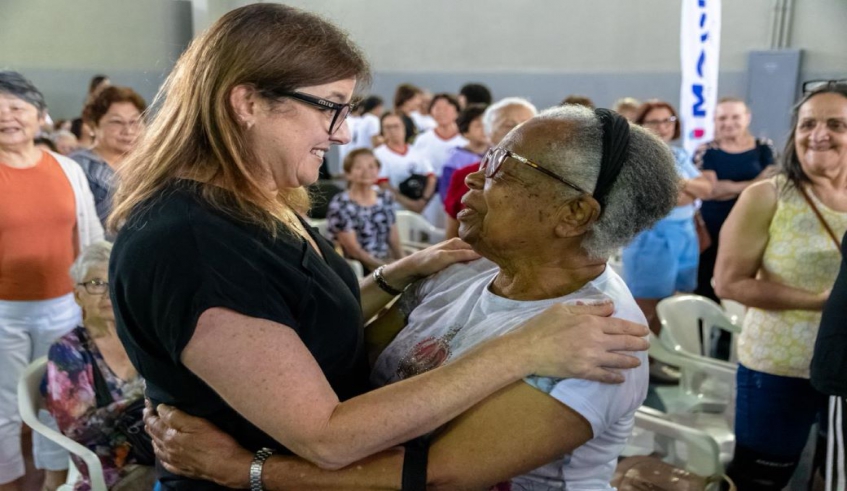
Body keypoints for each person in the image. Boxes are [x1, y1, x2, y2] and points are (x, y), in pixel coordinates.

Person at [108, 5, 650, 490]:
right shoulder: (194, 244)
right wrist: (520, 350)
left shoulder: (250, 207)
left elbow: (313, 324)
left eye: (503, 171)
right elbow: (331, 436)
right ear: (247, 103)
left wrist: (396, 275)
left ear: (575, 214)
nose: (343, 134)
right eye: (331, 107)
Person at [715, 83, 847, 490]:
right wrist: (821, 303)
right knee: (761, 478)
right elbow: (727, 282)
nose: (818, 134)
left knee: (832, 474)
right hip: (779, 367)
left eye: (836, 124)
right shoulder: (768, 196)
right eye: (808, 124)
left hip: (843, 370)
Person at [0, 71, 103, 491]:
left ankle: (53, 480)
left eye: (16, 107)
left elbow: (90, 236)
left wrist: (94, 296)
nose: (6, 116)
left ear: (40, 116)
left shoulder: (66, 169)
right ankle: (7, 482)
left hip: (63, 304)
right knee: (5, 405)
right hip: (4, 311)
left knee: (60, 401)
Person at [45, 242, 155, 491]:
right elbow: (77, 430)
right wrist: (141, 400)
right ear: (77, 295)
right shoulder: (68, 351)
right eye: (95, 283)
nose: (107, 292)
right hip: (112, 467)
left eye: (113, 281)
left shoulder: (140, 336)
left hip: (159, 448)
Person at [623, 101, 713, 344]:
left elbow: (706, 189)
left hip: (683, 237)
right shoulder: (636, 158)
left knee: (673, 303)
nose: (662, 127)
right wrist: (688, 188)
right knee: (645, 306)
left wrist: (680, 184)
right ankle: (641, 362)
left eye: (668, 121)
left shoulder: (678, 155)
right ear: (641, 125)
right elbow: (663, 199)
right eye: (654, 122)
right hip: (651, 240)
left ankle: (662, 360)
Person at [694, 97, 777, 302]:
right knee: (708, 284)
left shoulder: (764, 148)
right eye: (722, 118)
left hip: (755, 225)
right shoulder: (706, 151)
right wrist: (754, 184)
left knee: (748, 280)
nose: (728, 123)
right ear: (714, 120)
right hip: (713, 229)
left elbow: (774, 184)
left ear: (747, 118)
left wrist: (728, 187)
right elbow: (710, 190)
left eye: (735, 117)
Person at [443, 97, 537, 239]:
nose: (519, 130)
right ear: (488, 133)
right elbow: (452, 236)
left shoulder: (548, 176)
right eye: (508, 125)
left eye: (527, 124)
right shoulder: (467, 176)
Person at [70, 86, 146, 230]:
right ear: (93, 126)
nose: (128, 131)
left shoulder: (150, 166)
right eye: (116, 122)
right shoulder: (78, 167)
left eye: (135, 121)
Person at [327, 148, 404, 273]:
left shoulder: (385, 197)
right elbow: (354, 251)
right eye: (358, 167)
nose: (366, 172)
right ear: (348, 173)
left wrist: (403, 262)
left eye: (371, 166)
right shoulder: (341, 204)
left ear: (378, 170)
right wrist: (386, 268)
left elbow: (394, 238)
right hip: (356, 268)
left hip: (384, 262)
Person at [412, 93, 467, 226]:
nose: (441, 112)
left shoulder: (465, 141)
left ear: (457, 111)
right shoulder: (423, 140)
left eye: (446, 108)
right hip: (431, 198)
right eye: (437, 108)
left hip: (459, 198)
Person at [374, 111, 436, 213]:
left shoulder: (417, 152)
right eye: (387, 127)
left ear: (405, 127)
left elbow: (431, 178)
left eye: (396, 126)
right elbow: (383, 185)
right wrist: (410, 204)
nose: (392, 131)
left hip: (422, 209)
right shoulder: (378, 154)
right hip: (393, 210)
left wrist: (423, 200)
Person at [438, 103, 489, 203]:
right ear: (465, 132)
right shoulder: (454, 159)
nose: (484, 129)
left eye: (487, 124)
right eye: (478, 125)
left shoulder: (497, 154)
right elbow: (446, 194)